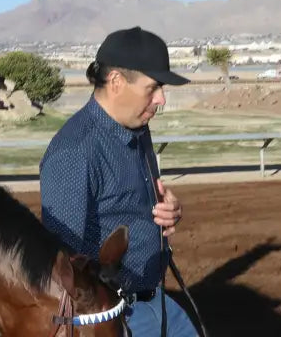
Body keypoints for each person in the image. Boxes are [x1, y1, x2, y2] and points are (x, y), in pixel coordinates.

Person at [40, 26, 202, 337]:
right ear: (116, 82)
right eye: (153, 88)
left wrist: (167, 213)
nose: (162, 99)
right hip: (114, 320)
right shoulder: (74, 152)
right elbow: (62, 271)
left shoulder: (138, 128)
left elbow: (130, 206)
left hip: (159, 302)